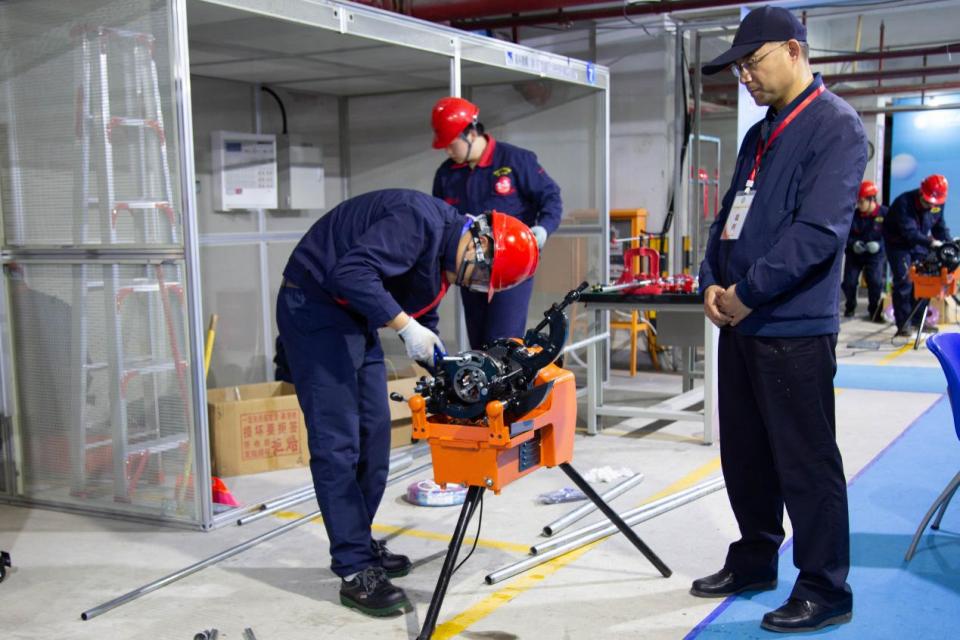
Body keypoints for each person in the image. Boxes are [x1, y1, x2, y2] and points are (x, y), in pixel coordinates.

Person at [277, 189, 538, 617]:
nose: (470, 282)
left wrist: (447, 371)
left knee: (375, 434)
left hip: (353, 316)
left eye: (479, 283)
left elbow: (421, 313)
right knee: (337, 442)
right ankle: (354, 568)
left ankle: (358, 543)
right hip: (313, 306)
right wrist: (405, 327)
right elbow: (350, 273)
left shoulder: (444, 257)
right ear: (480, 241)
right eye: (478, 274)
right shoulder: (418, 221)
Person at [696, 6, 866, 634]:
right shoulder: (759, 135)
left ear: (794, 51)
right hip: (740, 323)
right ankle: (755, 558)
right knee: (745, 455)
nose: (744, 76)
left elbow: (817, 233)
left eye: (753, 62)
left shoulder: (836, 128)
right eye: (738, 67)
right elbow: (727, 219)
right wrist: (710, 280)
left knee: (806, 461)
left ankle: (825, 586)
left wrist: (747, 292)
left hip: (792, 327)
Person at [431, 96, 563, 349]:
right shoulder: (446, 174)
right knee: (480, 344)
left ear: (471, 134)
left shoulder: (516, 161)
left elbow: (551, 198)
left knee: (503, 343)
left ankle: (507, 376)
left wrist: (543, 229)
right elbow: (439, 220)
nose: (448, 151)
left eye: (451, 144)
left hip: (511, 267)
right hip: (469, 268)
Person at [882, 174, 950, 335]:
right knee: (904, 281)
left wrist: (948, 244)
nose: (930, 206)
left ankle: (919, 320)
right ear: (921, 192)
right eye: (927, 202)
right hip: (898, 245)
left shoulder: (938, 203)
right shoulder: (904, 203)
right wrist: (932, 243)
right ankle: (904, 324)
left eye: (933, 204)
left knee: (926, 280)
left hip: (920, 244)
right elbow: (910, 233)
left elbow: (939, 227)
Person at [841, 180, 887, 321]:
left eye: (862, 202)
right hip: (855, 254)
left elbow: (892, 236)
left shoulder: (885, 214)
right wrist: (853, 244)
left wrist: (880, 245)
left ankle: (874, 310)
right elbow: (845, 235)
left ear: (871, 199)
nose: (859, 205)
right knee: (849, 282)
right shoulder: (853, 216)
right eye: (858, 202)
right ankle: (850, 306)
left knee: (875, 282)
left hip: (875, 255)